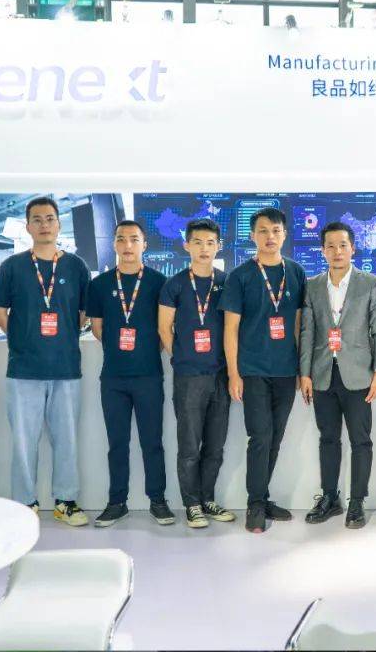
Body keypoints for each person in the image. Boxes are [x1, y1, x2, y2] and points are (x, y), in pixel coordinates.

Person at [0, 197, 90, 525]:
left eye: (50, 219)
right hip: (23, 369)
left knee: (67, 440)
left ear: (59, 224)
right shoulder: (12, 266)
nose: (44, 225)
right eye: (37, 219)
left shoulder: (76, 266)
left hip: (66, 368)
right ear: (28, 226)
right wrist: (20, 336)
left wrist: (67, 334)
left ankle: (66, 501)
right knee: (23, 441)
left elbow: (84, 312)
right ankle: (24, 503)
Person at [220, 207, 306, 534]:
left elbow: (298, 324)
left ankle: (263, 496)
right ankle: (255, 504)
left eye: (276, 231)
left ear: (284, 235)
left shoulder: (295, 272)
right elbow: (230, 329)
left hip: (285, 371)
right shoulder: (240, 276)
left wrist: (300, 369)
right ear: (252, 235)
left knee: (275, 438)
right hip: (253, 370)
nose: (270, 237)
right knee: (260, 437)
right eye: (263, 231)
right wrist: (233, 373)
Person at [299, 222, 376, 529]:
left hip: (360, 375)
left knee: (361, 440)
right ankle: (329, 498)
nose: (337, 251)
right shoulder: (312, 285)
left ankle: (357, 502)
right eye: (331, 246)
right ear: (323, 251)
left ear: (353, 248)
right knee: (328, 439)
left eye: (343, 245)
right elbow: (307, 332)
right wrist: (305, 374)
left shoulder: (370, 284)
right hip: (323, 374)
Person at [88, 220, 172, 527]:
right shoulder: (99, 284)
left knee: (153, 442)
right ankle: (117, 502)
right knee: (117, 444)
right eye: (121, 239)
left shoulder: (159, 282)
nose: (127, 245)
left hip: (149, 376)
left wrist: (144, 351)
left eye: (134, 239)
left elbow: (164, 330)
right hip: (113, 378)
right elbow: (97, 328)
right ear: (113, 244)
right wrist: (121, 349)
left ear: (144, 245)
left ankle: (158, 501)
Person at [158, 219, 236, 529]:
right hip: (189, 376)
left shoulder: (227, 282)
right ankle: (192, 505)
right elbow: (164, 327)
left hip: (220, 374)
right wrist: (180, 358)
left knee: (215, 445)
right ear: (186, 245)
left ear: (219, 246)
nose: (204, 248)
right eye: (198, 242)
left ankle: (208, 499)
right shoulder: (174, 284)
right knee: (189, 446)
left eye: (210, 243)